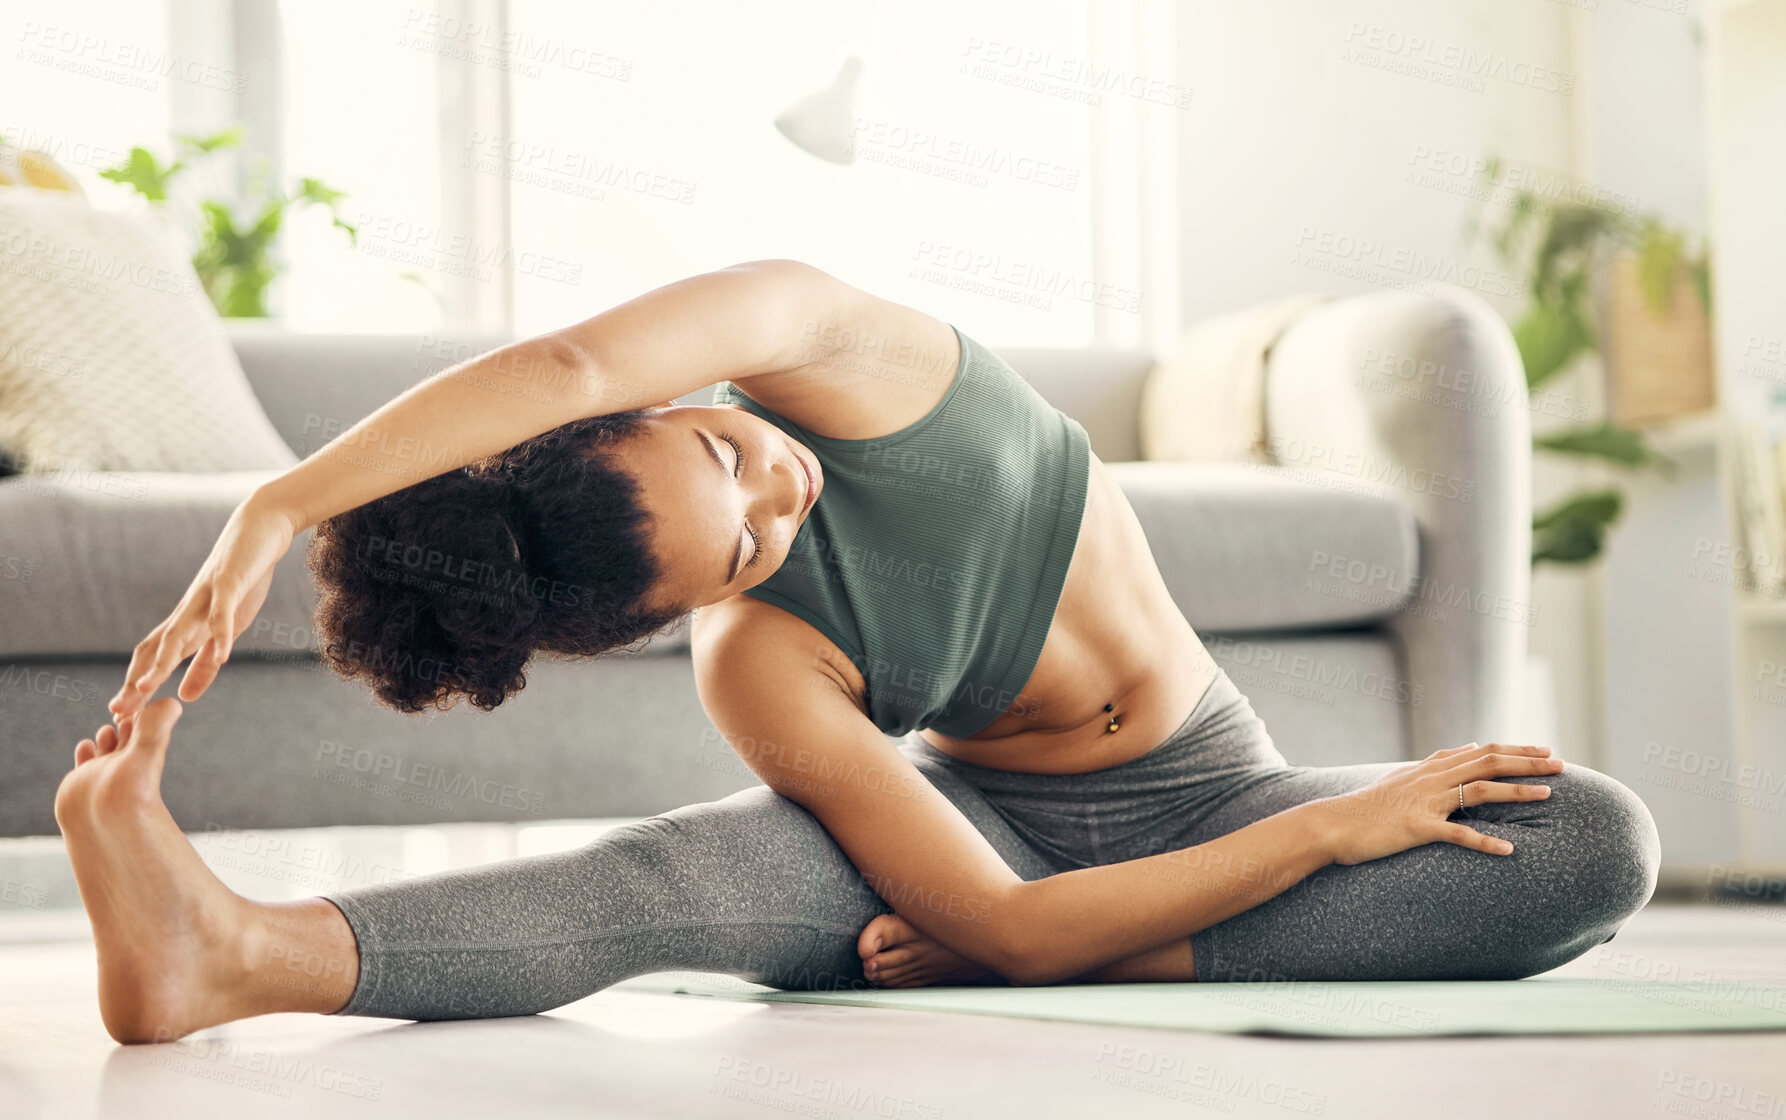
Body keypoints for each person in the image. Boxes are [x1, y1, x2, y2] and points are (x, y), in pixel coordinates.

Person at [67, 260, 1659, 1044]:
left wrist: (276, 506)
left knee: (1585, 838)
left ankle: (1134, 938)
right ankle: (237, 951)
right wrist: (1330, 835)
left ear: (654, 403)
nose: (777, 496)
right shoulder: (754, 664)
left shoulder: (834, 348)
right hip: (995, 844)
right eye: (742, 553)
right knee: (664, 885)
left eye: (719, 453)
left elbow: (560, 358)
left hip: (1211, 795)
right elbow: (1008, 919)